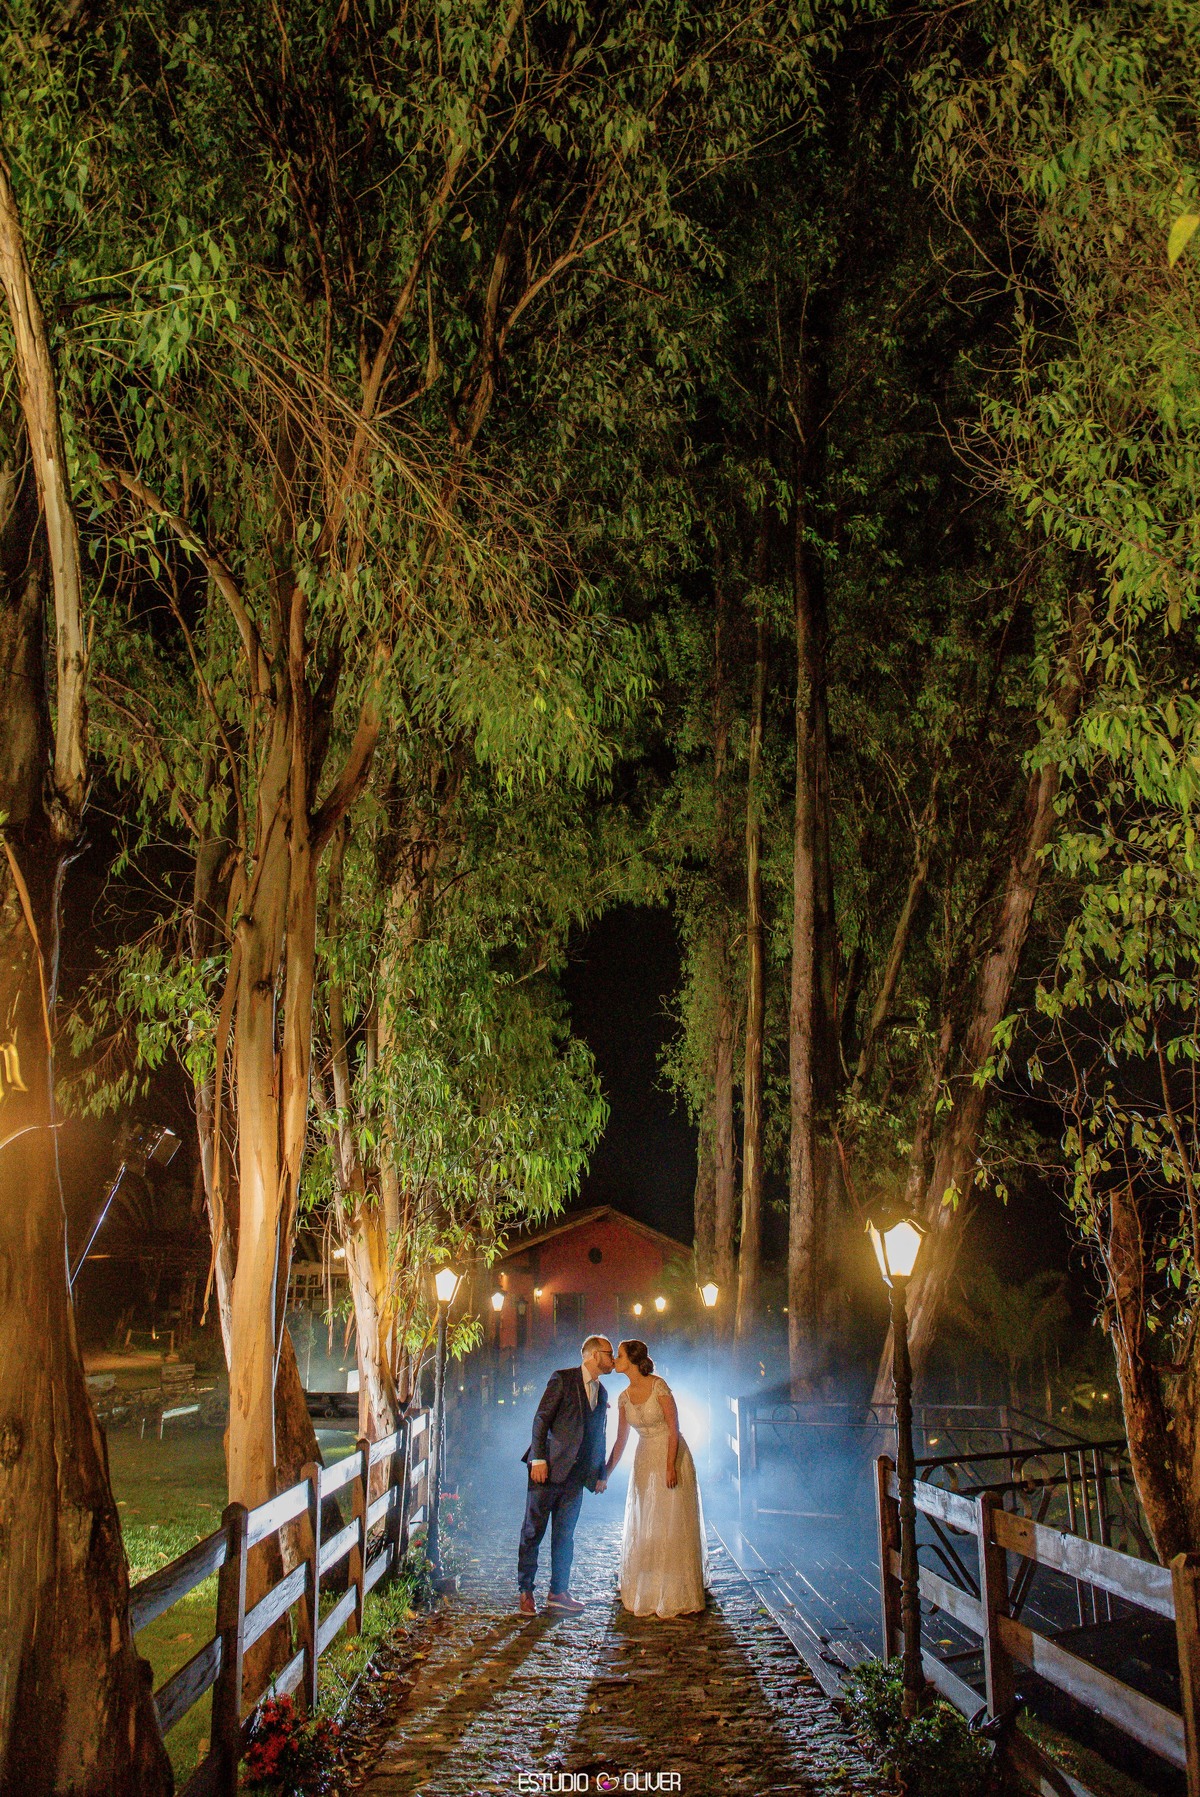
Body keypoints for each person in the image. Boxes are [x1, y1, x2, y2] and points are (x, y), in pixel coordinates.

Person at [605, 1338, 707, 1618]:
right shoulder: (623, 1397)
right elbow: (621, 1440)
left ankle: (676, 1589)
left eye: (620, 1355)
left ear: (633, 1360)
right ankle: (649, 1589)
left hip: (669, 1452)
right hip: (644, 1458)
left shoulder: (658, 1386)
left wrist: (670, 1466)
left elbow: (674, 1428)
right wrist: (606, 1472)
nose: (615, 1360)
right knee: (649, 1519)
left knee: (671, 1518)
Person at [517, 1333, 615, 1614]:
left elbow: (599, 1435)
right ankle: (525, 1591)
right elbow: (542, 1418)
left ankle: (558, 1591)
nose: (613, 1360)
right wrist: (538, 1458)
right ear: (594, 1355)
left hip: (577, 1475)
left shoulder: (602, 1392)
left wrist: (600, 1473)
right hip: (547, 1470)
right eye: (609, 1354)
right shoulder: (562, 1378)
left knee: (565, 1535)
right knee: (533, 1531)